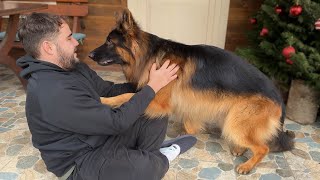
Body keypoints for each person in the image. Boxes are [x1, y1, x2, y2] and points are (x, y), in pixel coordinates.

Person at [16, 13, 196, 180]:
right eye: (69, 38)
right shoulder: (52, 91)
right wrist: (152, 87)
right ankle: (159, 158)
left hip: (100, 137)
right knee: (146, 167)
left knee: (156, 109)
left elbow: (108, 90)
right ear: (48, 47)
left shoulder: (72, 67)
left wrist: (148, 82)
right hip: (79, 162)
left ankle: (148, 155)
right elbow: (116, 122)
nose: (76, 42)